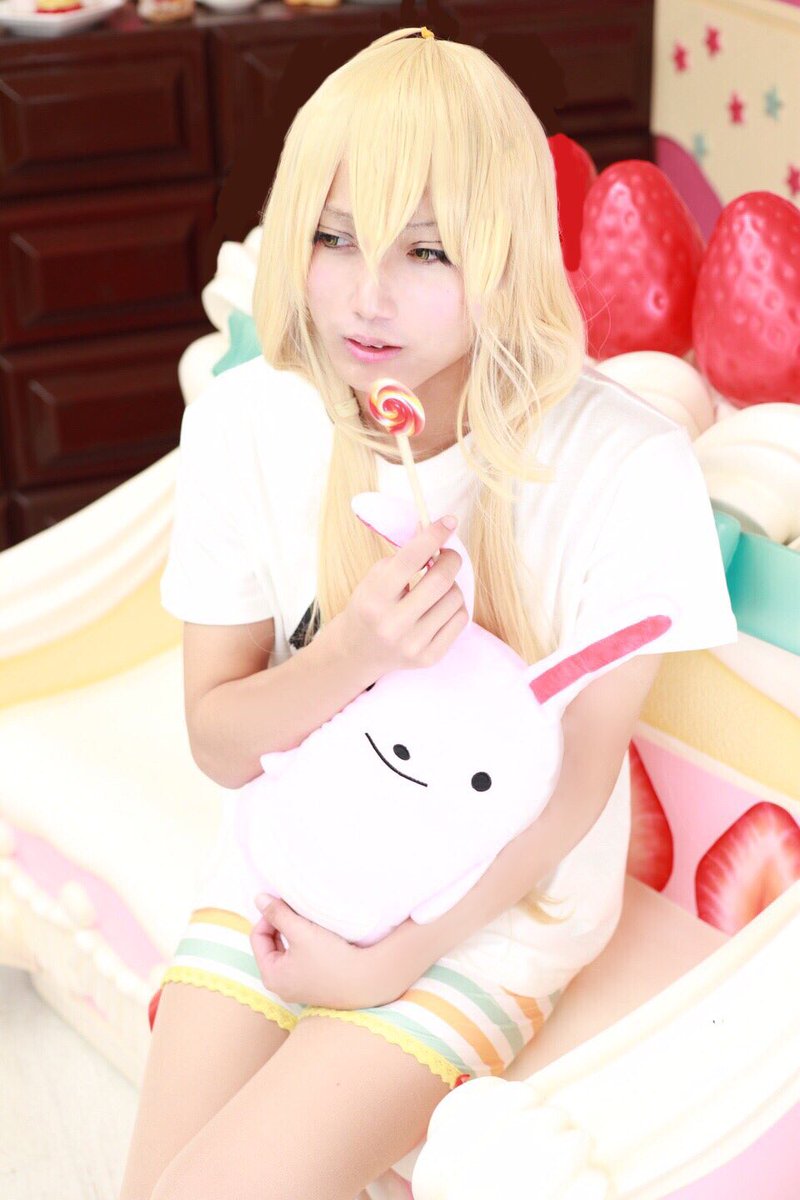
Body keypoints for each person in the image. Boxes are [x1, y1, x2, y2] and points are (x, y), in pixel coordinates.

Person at [119, 25, 738, 1200]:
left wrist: (387, 962)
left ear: (502, 254)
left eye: (426, 250)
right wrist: (351, 654)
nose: (366, 295)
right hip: (288, 856)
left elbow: (571, 792)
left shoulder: (622, 465)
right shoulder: (249, 422)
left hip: (499, 910)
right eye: (332, 237)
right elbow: (218, 739)